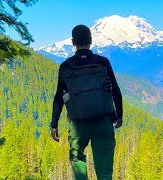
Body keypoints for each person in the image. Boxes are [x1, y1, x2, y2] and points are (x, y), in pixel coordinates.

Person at [50, 24, 123, 180]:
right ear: (91, 40)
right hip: (103, 121)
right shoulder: (102, 62)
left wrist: (54, 124)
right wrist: (119, 115)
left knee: (78, 164)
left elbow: (59, 97)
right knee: (104, 173)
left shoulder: (66, 66)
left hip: (78, 124)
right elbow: (116, 90)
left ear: (72, 42)